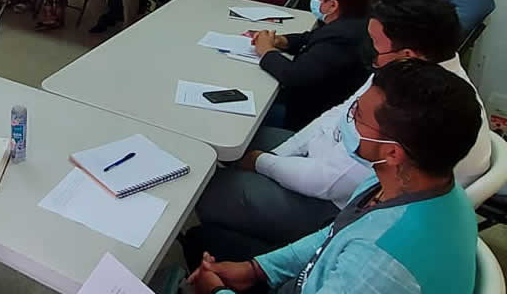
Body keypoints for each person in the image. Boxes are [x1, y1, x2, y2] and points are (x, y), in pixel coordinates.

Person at [190, 0, 492, 263]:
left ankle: (230, 240)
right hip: (327, 166)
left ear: (408, 54)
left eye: (375, 44)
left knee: (208, 189)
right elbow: (337, 114)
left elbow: (333, 180)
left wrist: (262, 164)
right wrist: (278, 156)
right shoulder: (405, 71)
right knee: (235, 141)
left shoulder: (423, 106)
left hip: (338, 207)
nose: (370, 52)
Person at [188, 59, 481, 294]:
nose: (347, 122)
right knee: (202, 239)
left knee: (195, 253)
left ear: (393, 153)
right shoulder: (408, 182)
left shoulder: (378, 264)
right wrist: (258, 269)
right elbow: (334, 235)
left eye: (358, 117)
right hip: (313, 276)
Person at [253, 0, 374, 130]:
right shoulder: (351, 22)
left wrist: (267, 51)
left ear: (332, 5)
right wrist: (280, 41)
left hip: (307, 118)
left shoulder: (342, 38)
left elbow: (293, 76)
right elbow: (309, 38)